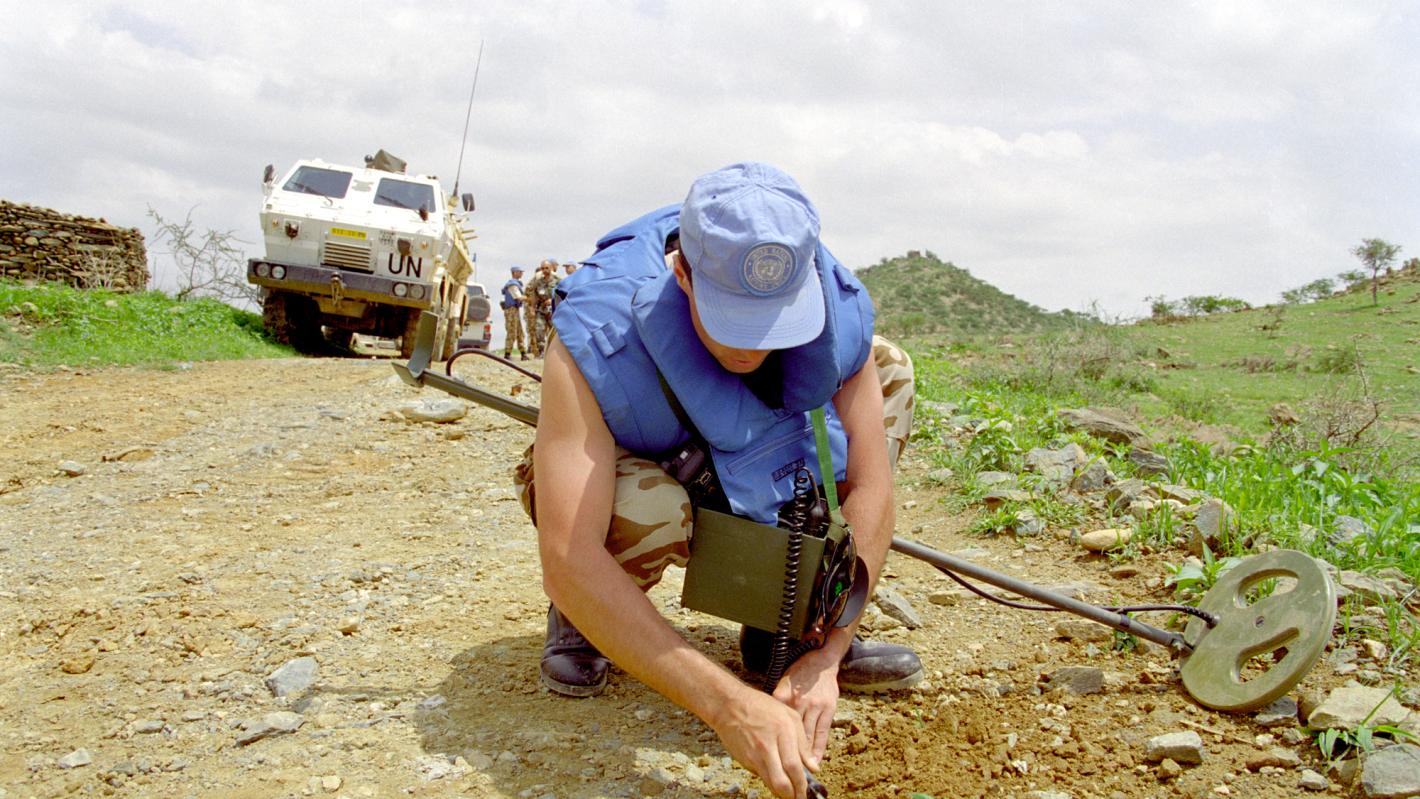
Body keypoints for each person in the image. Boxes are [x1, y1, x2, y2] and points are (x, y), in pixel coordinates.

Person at [514, 162, 920, 799]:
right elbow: (568, 554)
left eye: (775, 322)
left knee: (889, 368)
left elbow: (871, 485)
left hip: (760, 465)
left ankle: (785, 620)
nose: (755, 346)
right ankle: (587, 621)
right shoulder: (596, 330)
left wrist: (828, 652)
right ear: (682, 275)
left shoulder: (835, 306)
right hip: (654, 466)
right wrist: (728, 707)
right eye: (735, 321)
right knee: (649, 509)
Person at [524, 259, 561, 356]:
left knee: (555, 331)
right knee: (539, 329)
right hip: (541, 309)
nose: (545, 270)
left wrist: (553, 299)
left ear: (551, 268)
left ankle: (555, 352)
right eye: (543, 268)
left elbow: (564, 293)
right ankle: (541, 352)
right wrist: (532, 307)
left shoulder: (558, 280)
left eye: (547, 268)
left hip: (554, 310)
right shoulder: (538, 281)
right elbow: (534, 295)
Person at [501, 266, 528, 361]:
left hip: (515, 310)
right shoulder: (512, 285)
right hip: (511, 310)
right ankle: (507, 354)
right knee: (512, 331)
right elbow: (518, 297)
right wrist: (529, 298)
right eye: (519, 272)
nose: (521, 273)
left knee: (519, 332)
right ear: (514, 272)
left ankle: (523, 353)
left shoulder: (514, 284)